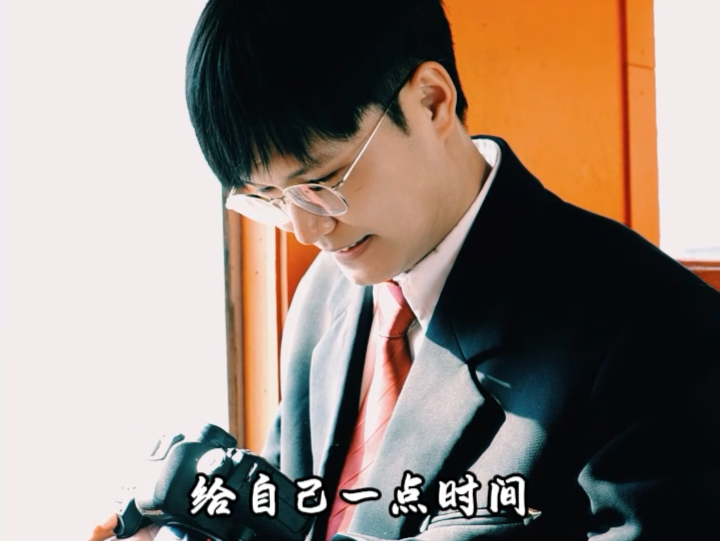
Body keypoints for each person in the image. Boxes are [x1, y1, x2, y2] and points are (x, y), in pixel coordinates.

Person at [90, 0, 719, 540]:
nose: (306, 231)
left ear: (431, 100)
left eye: (322, 182)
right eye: (270, 200)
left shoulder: (657, 331)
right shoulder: (322, 301)